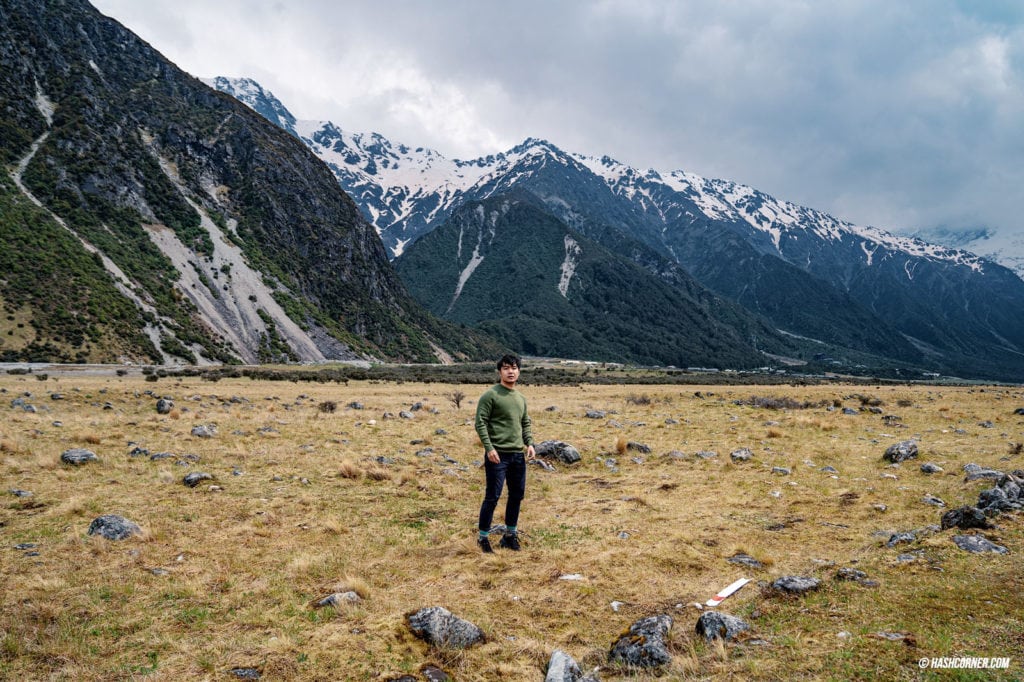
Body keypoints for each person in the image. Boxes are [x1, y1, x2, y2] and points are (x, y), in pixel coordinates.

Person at [474, 354, 535, 552]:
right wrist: (489, 448)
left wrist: (530, 444)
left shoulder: (521, 398)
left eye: (514, 368)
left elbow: (525, 422)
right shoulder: (490, 395)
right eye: (507, 368)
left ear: (519, 371)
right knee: (493, 496)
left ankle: (510, 536)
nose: (511, 371)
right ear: (500, 371)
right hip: (497, 455)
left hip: (517, 454)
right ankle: (483, 538)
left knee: (517, 495)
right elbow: (480, 422)